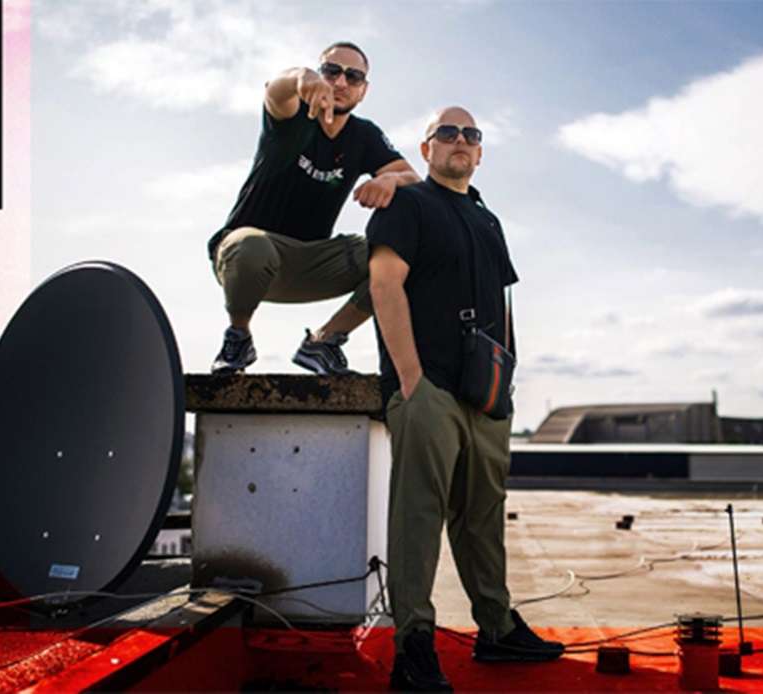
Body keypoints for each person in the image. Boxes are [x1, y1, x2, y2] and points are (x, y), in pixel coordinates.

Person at [367, 107, 564, 691]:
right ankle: (414, 647)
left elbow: (503, 304)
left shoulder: (487, 220)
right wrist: (410, 377)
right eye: (447, 133)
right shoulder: (409, 204)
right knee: (418, 515)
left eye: (470, 135)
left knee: (483, 516)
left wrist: (508, 376)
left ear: (480, 154)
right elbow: (384, 282)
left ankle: (497, 629)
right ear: (426, 149)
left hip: (486, 392)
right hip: (428, 387)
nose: (460, 141)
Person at [207, 41, 420, 374]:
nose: (340, 83)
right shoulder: (294, 115)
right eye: (331, 72)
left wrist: (390, 181)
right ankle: (239, 336)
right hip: (247, 261)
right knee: (250, 246)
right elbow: (276, 93)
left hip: (313, 260)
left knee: (403, 254)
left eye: (353, 77)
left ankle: (324, 342)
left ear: (363, 90)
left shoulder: (363, 135)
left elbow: (413, 179)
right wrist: (299, 77)